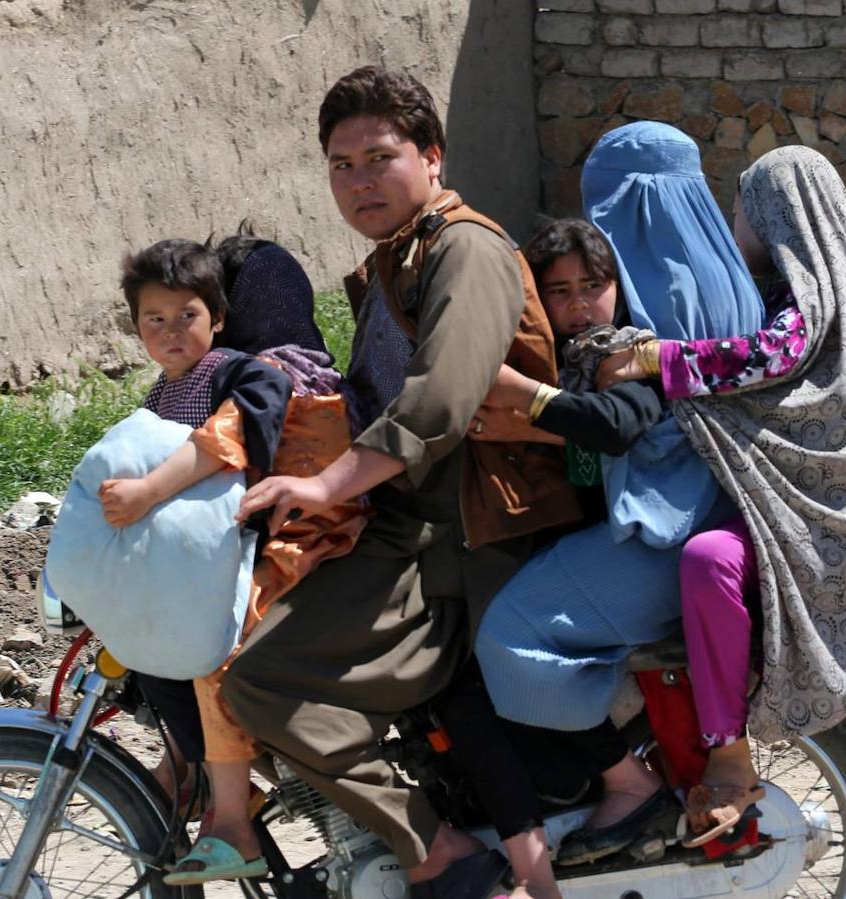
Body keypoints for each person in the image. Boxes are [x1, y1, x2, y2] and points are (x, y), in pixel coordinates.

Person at [224, 66, 582, 899]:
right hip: (406, 526)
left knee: (263, 678)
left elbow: (441, 400)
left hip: (457, 542)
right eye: (341, 165)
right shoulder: (397, 261)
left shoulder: (469, 249)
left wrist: (328, 488)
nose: (359, 181)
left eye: (379, 157)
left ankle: (435, 850)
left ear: (432, 157)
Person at [597, 145, 846, 843]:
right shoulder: (803, 301)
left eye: (740, 209)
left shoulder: (811, 306)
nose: (730, 222)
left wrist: (656, 358)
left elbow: (770, 359)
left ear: (777, 216)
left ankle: (728, 752)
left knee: (707, 563)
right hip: (834, 526)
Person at [473, 122, 767, 864]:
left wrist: (527, 404)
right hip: (728, 520)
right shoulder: (734, 283)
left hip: (666, 532)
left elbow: (626, 424)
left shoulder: (643, 307)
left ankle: (624, 779)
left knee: (507, 640)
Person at [99, 236, 369, 884]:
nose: (170, 332)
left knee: (213, 644)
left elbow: (229, 441)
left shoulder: (252, 373)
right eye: (153, 320)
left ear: (221, 316)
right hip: (223, 553)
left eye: (186, 315)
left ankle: (230, 818)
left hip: (299, 549)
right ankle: (203, 781)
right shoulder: (166, 392)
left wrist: (148, 492)